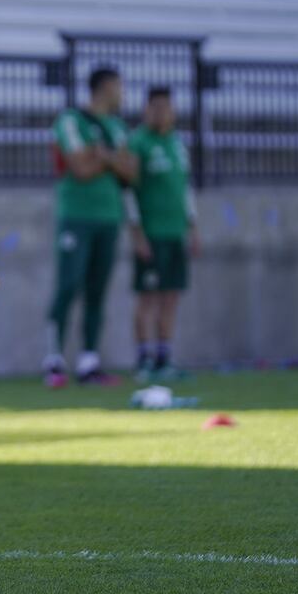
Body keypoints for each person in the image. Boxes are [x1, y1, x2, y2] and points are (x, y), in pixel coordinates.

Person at [43, 66, 138, 388]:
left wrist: (104, 157)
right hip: (77, 216)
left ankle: (89, 361)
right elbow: (81, 168)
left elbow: (132, 173)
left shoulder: (116, 127)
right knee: (69, 285)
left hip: (109, 219)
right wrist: (110, 161)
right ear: (106, 87)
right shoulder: (71, 120)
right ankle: (54, 359)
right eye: (119, 86)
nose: (123, 93)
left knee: (97, 290)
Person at [127, 87, 199, 381]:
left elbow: (185, 190)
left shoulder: (178, 144)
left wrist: (193, 228)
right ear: (146, 110)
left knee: (170, 298)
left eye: (165, 107)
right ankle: (144, 360)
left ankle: (164, 358)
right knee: (148, 298)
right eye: (155, 107)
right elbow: (129, 192)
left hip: (175, 233)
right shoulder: (138, 144)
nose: (161, 113)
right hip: (151, 234)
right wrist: (138, 234)